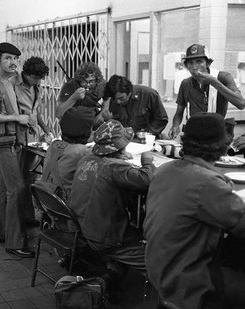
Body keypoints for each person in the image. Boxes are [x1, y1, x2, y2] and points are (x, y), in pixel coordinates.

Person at [145, 112, 245, 308]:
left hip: (160, 267)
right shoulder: (207, 183)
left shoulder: (164, 169)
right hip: (188, 279)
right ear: (224, 145)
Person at [67, 119, 154, 296]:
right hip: (103, 236)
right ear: (119, 148)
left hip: (82, 227)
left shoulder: (87, 159)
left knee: (130, 233)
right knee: (160, 260)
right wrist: (147, 162)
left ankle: (107, 279)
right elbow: (147, 179)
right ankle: (102, 284)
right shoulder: (115, 168)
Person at [0, 42, 34, 258]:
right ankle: (15, 242)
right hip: (4, 143)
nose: (12, 62)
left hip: (12, 140)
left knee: (5, 189)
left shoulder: (8, 82)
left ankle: (2, 233)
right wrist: (16, 117)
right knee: (17, 189)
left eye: (14, 58)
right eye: (7, 58)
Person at [168, 43, 245, 139]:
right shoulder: (186, 83)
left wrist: (213, 82)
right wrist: (175, 126)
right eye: (190, 63)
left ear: (208, 63)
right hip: (194, 134)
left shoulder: (223, 77)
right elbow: (179, 112)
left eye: (199, 62)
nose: (194, 67)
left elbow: (241, 104)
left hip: (217, 134)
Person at [12, 56, 53, 227]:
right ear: (26, 73)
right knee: (18, 180)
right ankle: (19, 217)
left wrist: (46, 130)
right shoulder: (13, 85)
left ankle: (28, 216)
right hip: (18, 136)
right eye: (35, 77)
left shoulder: (36, 87)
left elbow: (36, 113)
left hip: (32, 137)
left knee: (29, 178)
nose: (37, 81)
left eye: (40, 78)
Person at [40, 106, 94, 200]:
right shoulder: (83, 151)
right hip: (66, 204)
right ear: (86, 132)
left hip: (47, 200)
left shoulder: (54, 145)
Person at [56, 62, 110, 127]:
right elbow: (59, 113)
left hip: (92, 120)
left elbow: (108, 98)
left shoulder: (101, 85)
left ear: (96, 80)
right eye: (84, 81)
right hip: (74, 121)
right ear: (79, 80)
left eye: (91, 81)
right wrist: (74, 97)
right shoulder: (69, 86)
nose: (88, 85)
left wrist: (102, 113)